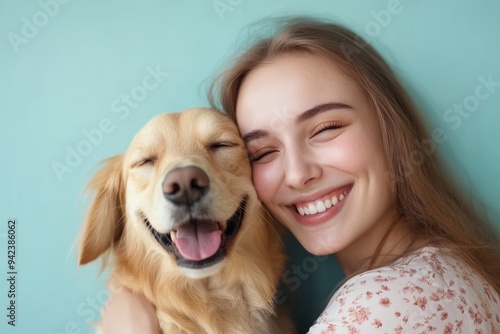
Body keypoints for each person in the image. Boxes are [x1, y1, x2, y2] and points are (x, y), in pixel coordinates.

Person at [99, 17, 500, 333]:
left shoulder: (383, 307)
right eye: (262, 151)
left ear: (391, 129)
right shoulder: (442, 273)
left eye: (326, 128)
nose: (297, 174)